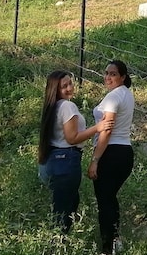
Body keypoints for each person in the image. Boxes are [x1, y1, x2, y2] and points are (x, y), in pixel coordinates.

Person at [37, 70, 112, 233]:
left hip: (52, 160)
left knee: (64, 204)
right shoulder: (67, 106)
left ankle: (59, 243)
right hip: (66, 160)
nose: (69, 88)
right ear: (55, 90)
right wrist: (97, 128)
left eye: (70, 83)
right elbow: (72, 138)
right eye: (64, 86)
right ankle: (57, 248)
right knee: (64, 211)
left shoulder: (53, 106)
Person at [87, 60, 135, 255]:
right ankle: (116, 242)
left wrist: (95, 159)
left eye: (113, 74)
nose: (108, 77)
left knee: (104, 204)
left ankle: (106, 254)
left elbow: (106, 130)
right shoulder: (125, 93)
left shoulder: (113, 97)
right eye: (106, 73)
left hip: (111, 153)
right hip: (125, 152)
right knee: (110, 199)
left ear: (123, 76)